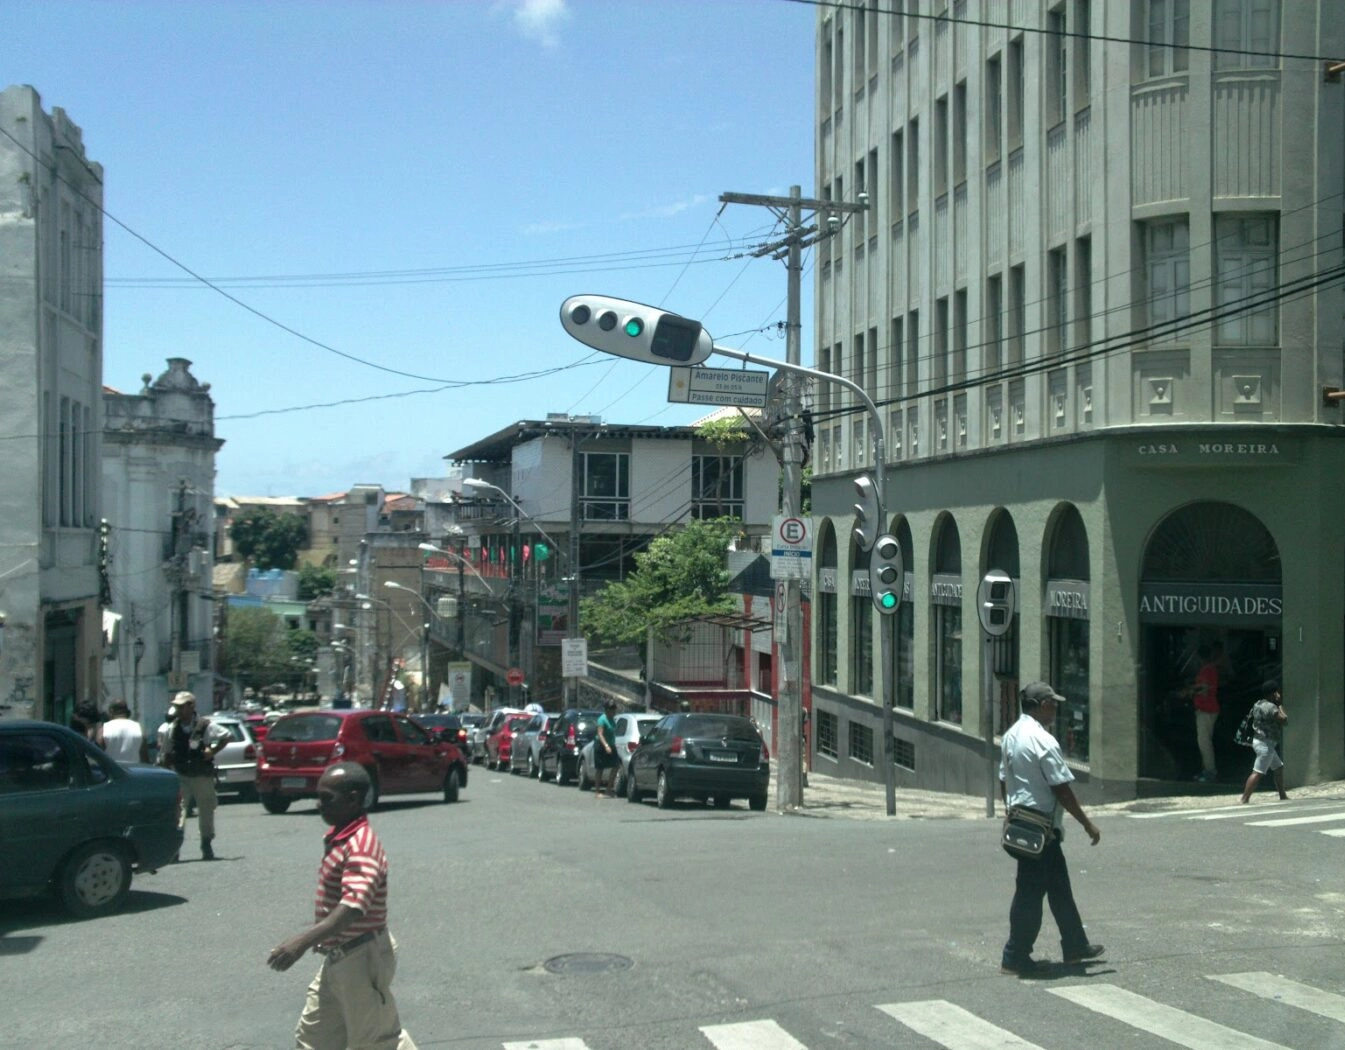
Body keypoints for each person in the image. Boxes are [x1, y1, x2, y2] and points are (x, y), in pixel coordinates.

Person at [267, 762, 418, 1050]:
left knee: (376, 1043)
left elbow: (352, 907)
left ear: (353, 799)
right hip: (338, 957)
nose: (319, 804)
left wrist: (301, 942)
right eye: (319, 797)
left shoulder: (361, 845)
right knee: (313, 1039)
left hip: (361, 957)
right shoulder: (341, 836)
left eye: (327, 798)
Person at [999, 681, 1104, 976]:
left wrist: (1009, 810)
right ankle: (1014, 956)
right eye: (1053, 704)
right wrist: (1087, 824)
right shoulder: (1042, 740)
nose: (1056, 709)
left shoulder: (1010, 736)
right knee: (1029, 895)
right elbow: (1062, 790)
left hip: (1023, 823)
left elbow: (1003, 779)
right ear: (1042, 705)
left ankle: (1074, 946)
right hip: (1041, 829)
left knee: (1059, 889)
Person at [162, 691, 230, 861]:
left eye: (181, 706)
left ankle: (206, 843)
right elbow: (166, 752)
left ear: (191, 706)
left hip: (202, 775)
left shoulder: (205, 725)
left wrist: (212, 750)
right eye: (176, 706)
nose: (177, 710)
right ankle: (175, 849)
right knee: (179, 811)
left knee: (206, 810)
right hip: (181, 775)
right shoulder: (172, 727)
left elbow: (226, 735)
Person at [1240, 680, 1289, 804]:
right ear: (1273, 693)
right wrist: (1280, 704)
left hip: (1261, 741)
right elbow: (1284, 720)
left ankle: (1282, 795)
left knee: (1278, 767)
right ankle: (1244, 798)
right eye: (1277, 691)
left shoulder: (1258, 704)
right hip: (1265, 744)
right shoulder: (1271, 707)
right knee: (1258, 772)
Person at [1190, 642, 1223, 782]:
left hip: (1206, 710)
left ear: (1199, 657)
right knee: (1204, 741)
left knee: (1204, 742)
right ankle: (1206, 770)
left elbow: (1205, 688)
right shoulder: (1209, 669)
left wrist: (1190, 691)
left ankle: (1210, 772)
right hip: (1206, 709)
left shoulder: (1207, 670)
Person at [101, 699, 149, 764]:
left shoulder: (104, 728)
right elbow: (144, 756)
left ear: (111, 711)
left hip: (111, 771)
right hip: (134, 771)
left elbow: (98, 753)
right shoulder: (138, 728)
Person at [594, 701, 620, 797]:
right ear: (607, 710)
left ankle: (608, 789)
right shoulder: (602, 719)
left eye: (614, 710)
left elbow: (612, 733)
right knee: (600, 768)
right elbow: (600, 734)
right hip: (601, 745)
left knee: (616, 766)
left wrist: (612, 744)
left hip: (611, 745)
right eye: (612, 710)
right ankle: (597, 791)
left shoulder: (613, 719)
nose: (614, 712)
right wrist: (606, 746)